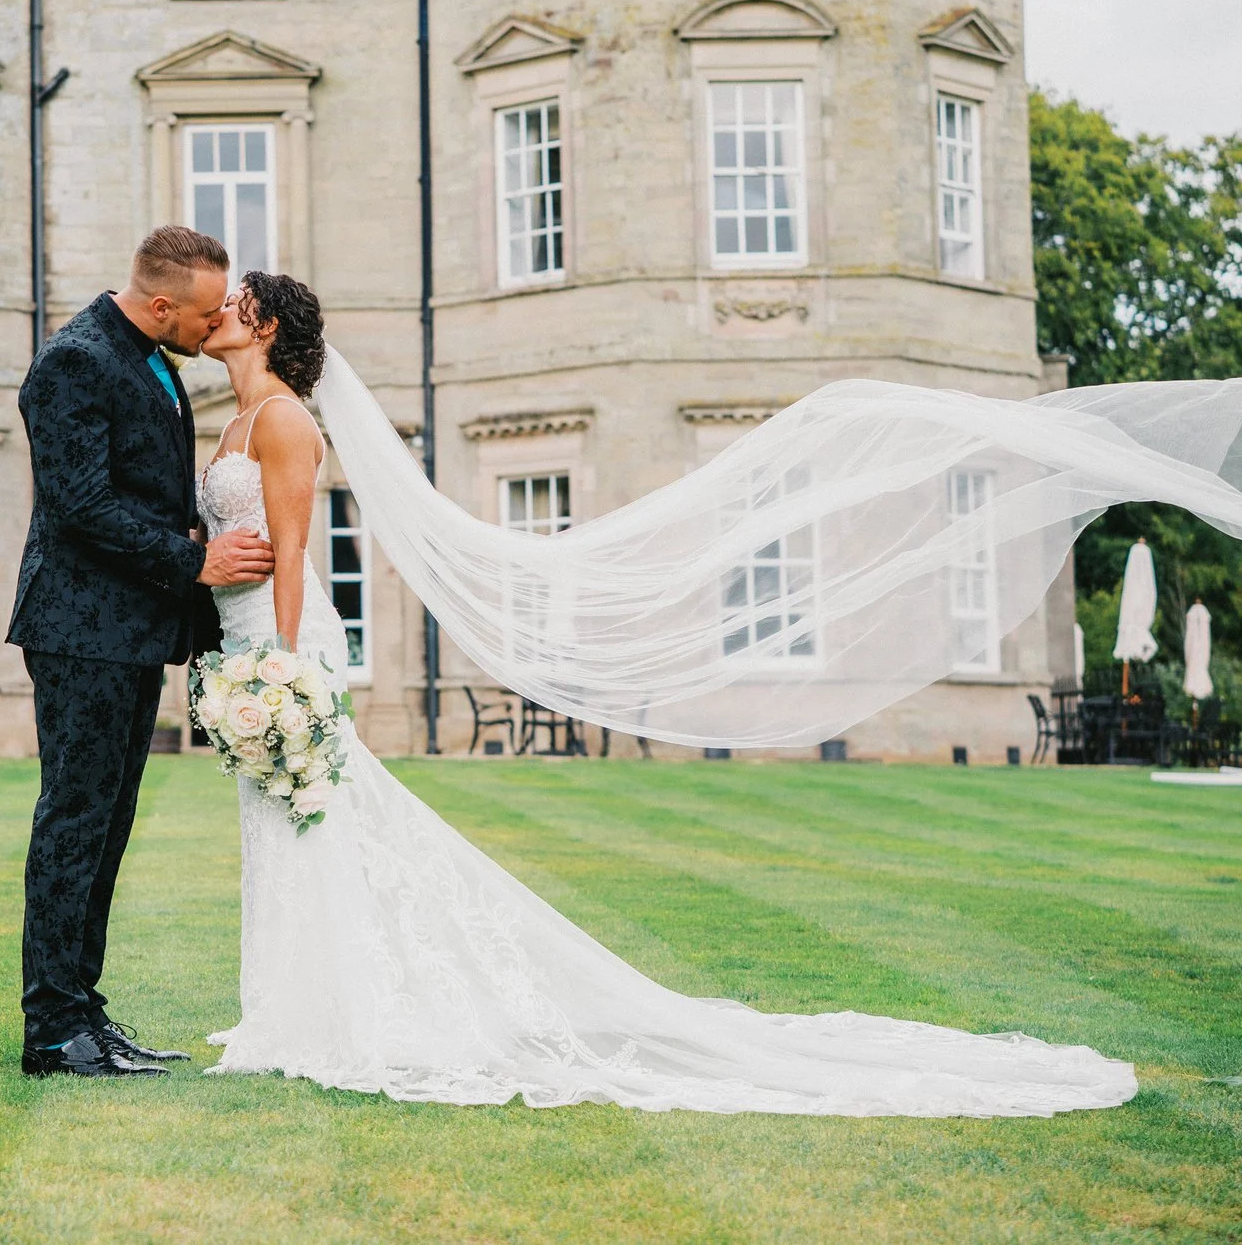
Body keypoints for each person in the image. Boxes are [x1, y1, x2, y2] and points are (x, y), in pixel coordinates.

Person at [194, 268, 1149, 1114]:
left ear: (269, 326)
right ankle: (288, 1011)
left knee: (313, 822)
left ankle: (326, 1017)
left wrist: (281, 667)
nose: (218, 313)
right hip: (243, 646)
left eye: (235, 304)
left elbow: (291, 555)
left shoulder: (281, 420)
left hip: (281, 651)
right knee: (279, 828)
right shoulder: (234, 416)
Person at [8, 225, 274, 1079]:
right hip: (78, 632)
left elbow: (141, 488)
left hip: (127, 635)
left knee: (108, 825)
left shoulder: (156, 357)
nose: (213, 325)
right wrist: (195, 560)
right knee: (74, 823)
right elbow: (80, 504)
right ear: (162, 304)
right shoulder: (74, 362)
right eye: (204, 314)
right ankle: (52, 1029)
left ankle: (85, 1011)